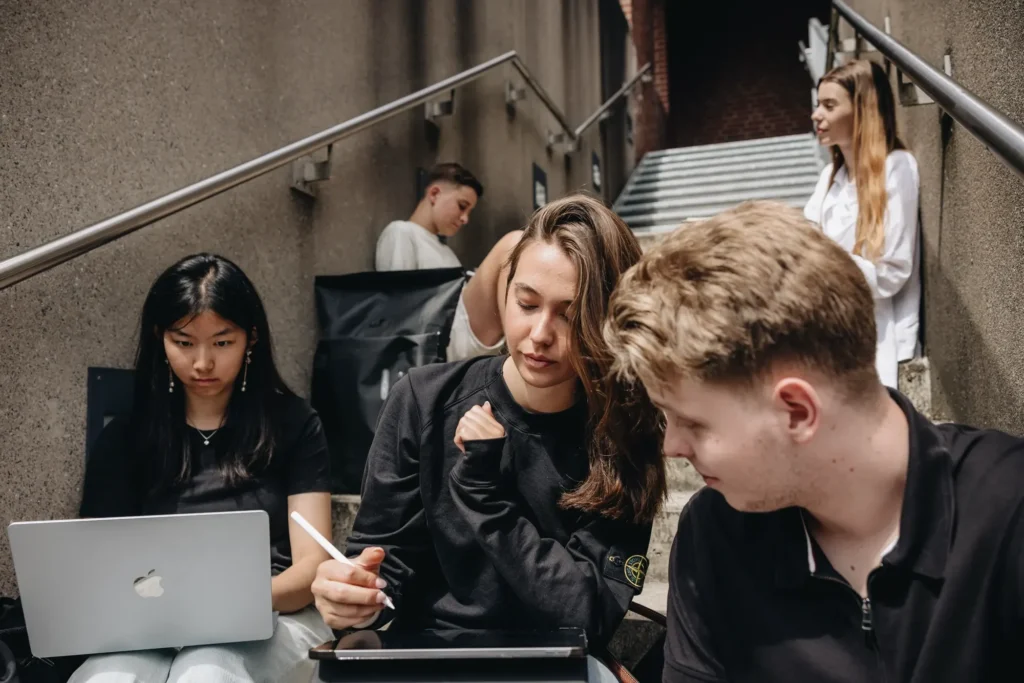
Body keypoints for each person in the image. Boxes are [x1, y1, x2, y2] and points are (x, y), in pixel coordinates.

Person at [603, 200, 1024, 682]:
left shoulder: (1007, 516)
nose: (671, 446)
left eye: (693, 423)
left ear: (797, 411)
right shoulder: (714, 537)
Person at [313, 195, 665, 649]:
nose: (540, 334)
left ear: (610, 318)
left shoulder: (622, 434)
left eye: (571, 314)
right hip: (425, 657)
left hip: (552, 662)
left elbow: (588, 610)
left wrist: (485, 498)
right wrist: (352, 597)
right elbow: (384, 564)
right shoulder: (423, 399)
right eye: (526, 303)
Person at [73, 254, 333, 683]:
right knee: (109, 678)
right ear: (161, 338)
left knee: (207, 672)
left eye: (222, 342)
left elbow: (310, 568)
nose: (203, 363)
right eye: (184, 342)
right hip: (148, 626)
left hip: (270, 615)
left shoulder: (292, 424)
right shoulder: (127, 435)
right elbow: (95, 565)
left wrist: (225, 605)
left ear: (250, 339)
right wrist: (170, 610)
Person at [804, 59, 921, 389]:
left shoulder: (896, 168)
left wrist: (822, 261)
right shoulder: (830, 177)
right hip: (831, 325)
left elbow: (893, 272)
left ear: (862, 110)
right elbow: (805, 240)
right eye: (818, 105)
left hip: (878, 333)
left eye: (829, 105)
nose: (817, 115)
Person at [375, 162, 523, 362]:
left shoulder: (446, 251)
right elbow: (397, 308)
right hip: (442, 339)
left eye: (469, 212)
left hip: (462, 331)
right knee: (513, 243)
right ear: (434, 194)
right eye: (462, 206)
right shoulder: (401, 232)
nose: (465, 219)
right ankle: (520, 353)